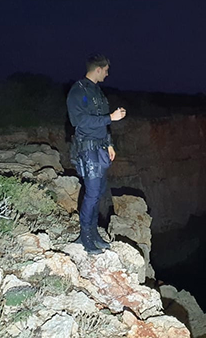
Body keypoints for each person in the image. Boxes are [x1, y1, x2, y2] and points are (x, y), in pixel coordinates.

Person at [67, 54, 126, 254]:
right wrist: (111, 117)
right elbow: (80, 121)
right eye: (106, 70)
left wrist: (109, 143)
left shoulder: (97, 91)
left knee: (99, 192)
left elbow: (104, 122)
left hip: (100, 147)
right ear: (98, 69)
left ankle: (92, 233)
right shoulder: (79, 91)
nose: (108, 74)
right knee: (92, 194)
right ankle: (85, 237)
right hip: (87, 148)